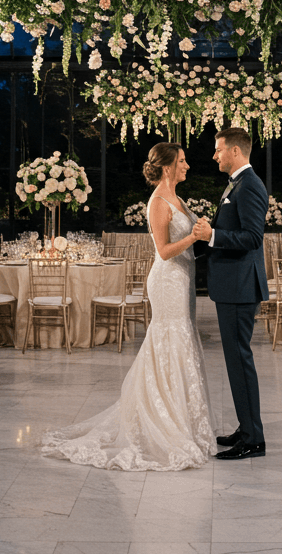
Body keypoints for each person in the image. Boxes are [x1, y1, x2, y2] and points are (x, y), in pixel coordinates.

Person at [41, 142, 216, 470]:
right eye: (182, 161)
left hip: (183, 280)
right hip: (167, 280)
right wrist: (193, 237)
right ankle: (161, 417)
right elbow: (163, 251)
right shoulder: (158, 201)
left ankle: (181, 416)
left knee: (182, 340)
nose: (187, 165)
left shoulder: (176, 197)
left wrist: (201, 233)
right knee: (168, 340)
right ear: (166, 167)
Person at [193, 126, 269, 460]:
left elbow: (253, 237)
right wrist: (210, 235)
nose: (215, 155)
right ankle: (246, 427)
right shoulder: (237, 183)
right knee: (236, 361)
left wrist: (213, 235)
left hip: (240, 287)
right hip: (232, 285)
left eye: (218, 150)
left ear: (235, 151)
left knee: (240, 361)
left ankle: (253, 439)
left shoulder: (249, 185)